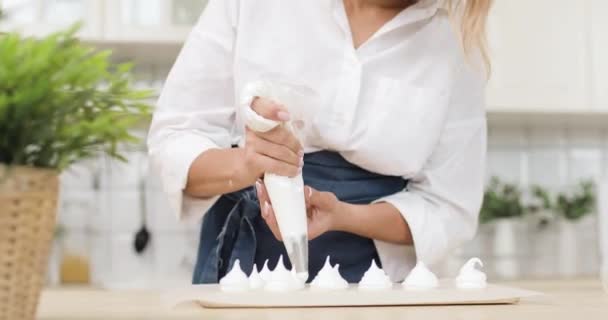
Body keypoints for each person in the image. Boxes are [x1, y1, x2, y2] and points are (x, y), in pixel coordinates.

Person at [148, 0, 491, 284]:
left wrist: (342, 215)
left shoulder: (454, 47)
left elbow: (448, 208)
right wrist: (246, 164)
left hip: (376, 288)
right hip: (240, 277)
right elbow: (174, 138)